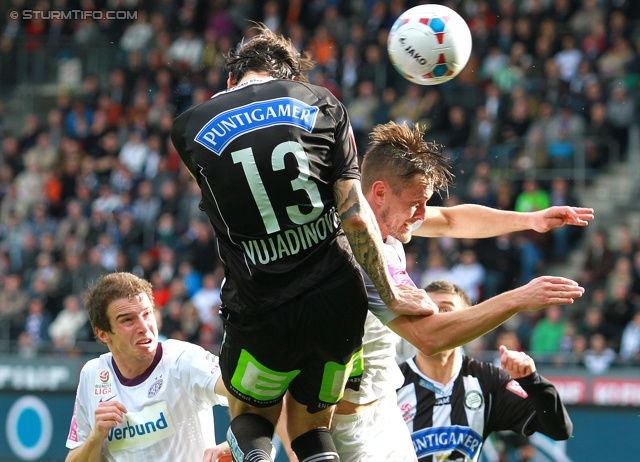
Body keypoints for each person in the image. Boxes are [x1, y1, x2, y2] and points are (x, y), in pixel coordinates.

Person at [170, 26, 433, 462]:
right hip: (337, 302)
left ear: (232, 80)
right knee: (310, 430)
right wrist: (389, 291)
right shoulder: (322, 102)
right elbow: (353, 214)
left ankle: (253, 456)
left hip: (261, 305)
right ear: (291, 76)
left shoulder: (188, 127)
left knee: (251, 417)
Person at [328, 121, 589, 462]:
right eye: (416, 203)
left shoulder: (385, 217)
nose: (422, 215)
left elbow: (452, 220)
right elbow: (428, 337)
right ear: (379, 192)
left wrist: (530, 220)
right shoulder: (360, 250)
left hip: (379, 409)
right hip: (350, 422)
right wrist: (518, 298)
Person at [397, 280, 573, 462]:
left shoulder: (486, 380)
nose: (435, 318)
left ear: (468, 323)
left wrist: (532, 381)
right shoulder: (391, 384)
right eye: (428, 309)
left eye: (446, 311)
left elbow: (559, 430)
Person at [64, 272, 228, 462]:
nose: (144, 326)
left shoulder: (183, 360)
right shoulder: (93, 374)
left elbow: (248, 392)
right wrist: (96, 436)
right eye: (127, 320)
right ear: (103, 334)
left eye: (147, 313)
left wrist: (236, 442)